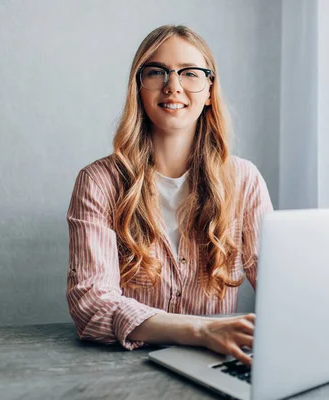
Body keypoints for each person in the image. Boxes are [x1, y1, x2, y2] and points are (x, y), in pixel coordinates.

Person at [66, 25, 273, 366]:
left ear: (209, 90)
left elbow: (278, 286)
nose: (173, 85)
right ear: (139, 88)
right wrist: (201, 331)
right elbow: (91, 307)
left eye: (190, 73)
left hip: (216, 366)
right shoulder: (98, 182)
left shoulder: (244, 180)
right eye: (157, 72)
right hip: (125, 370)